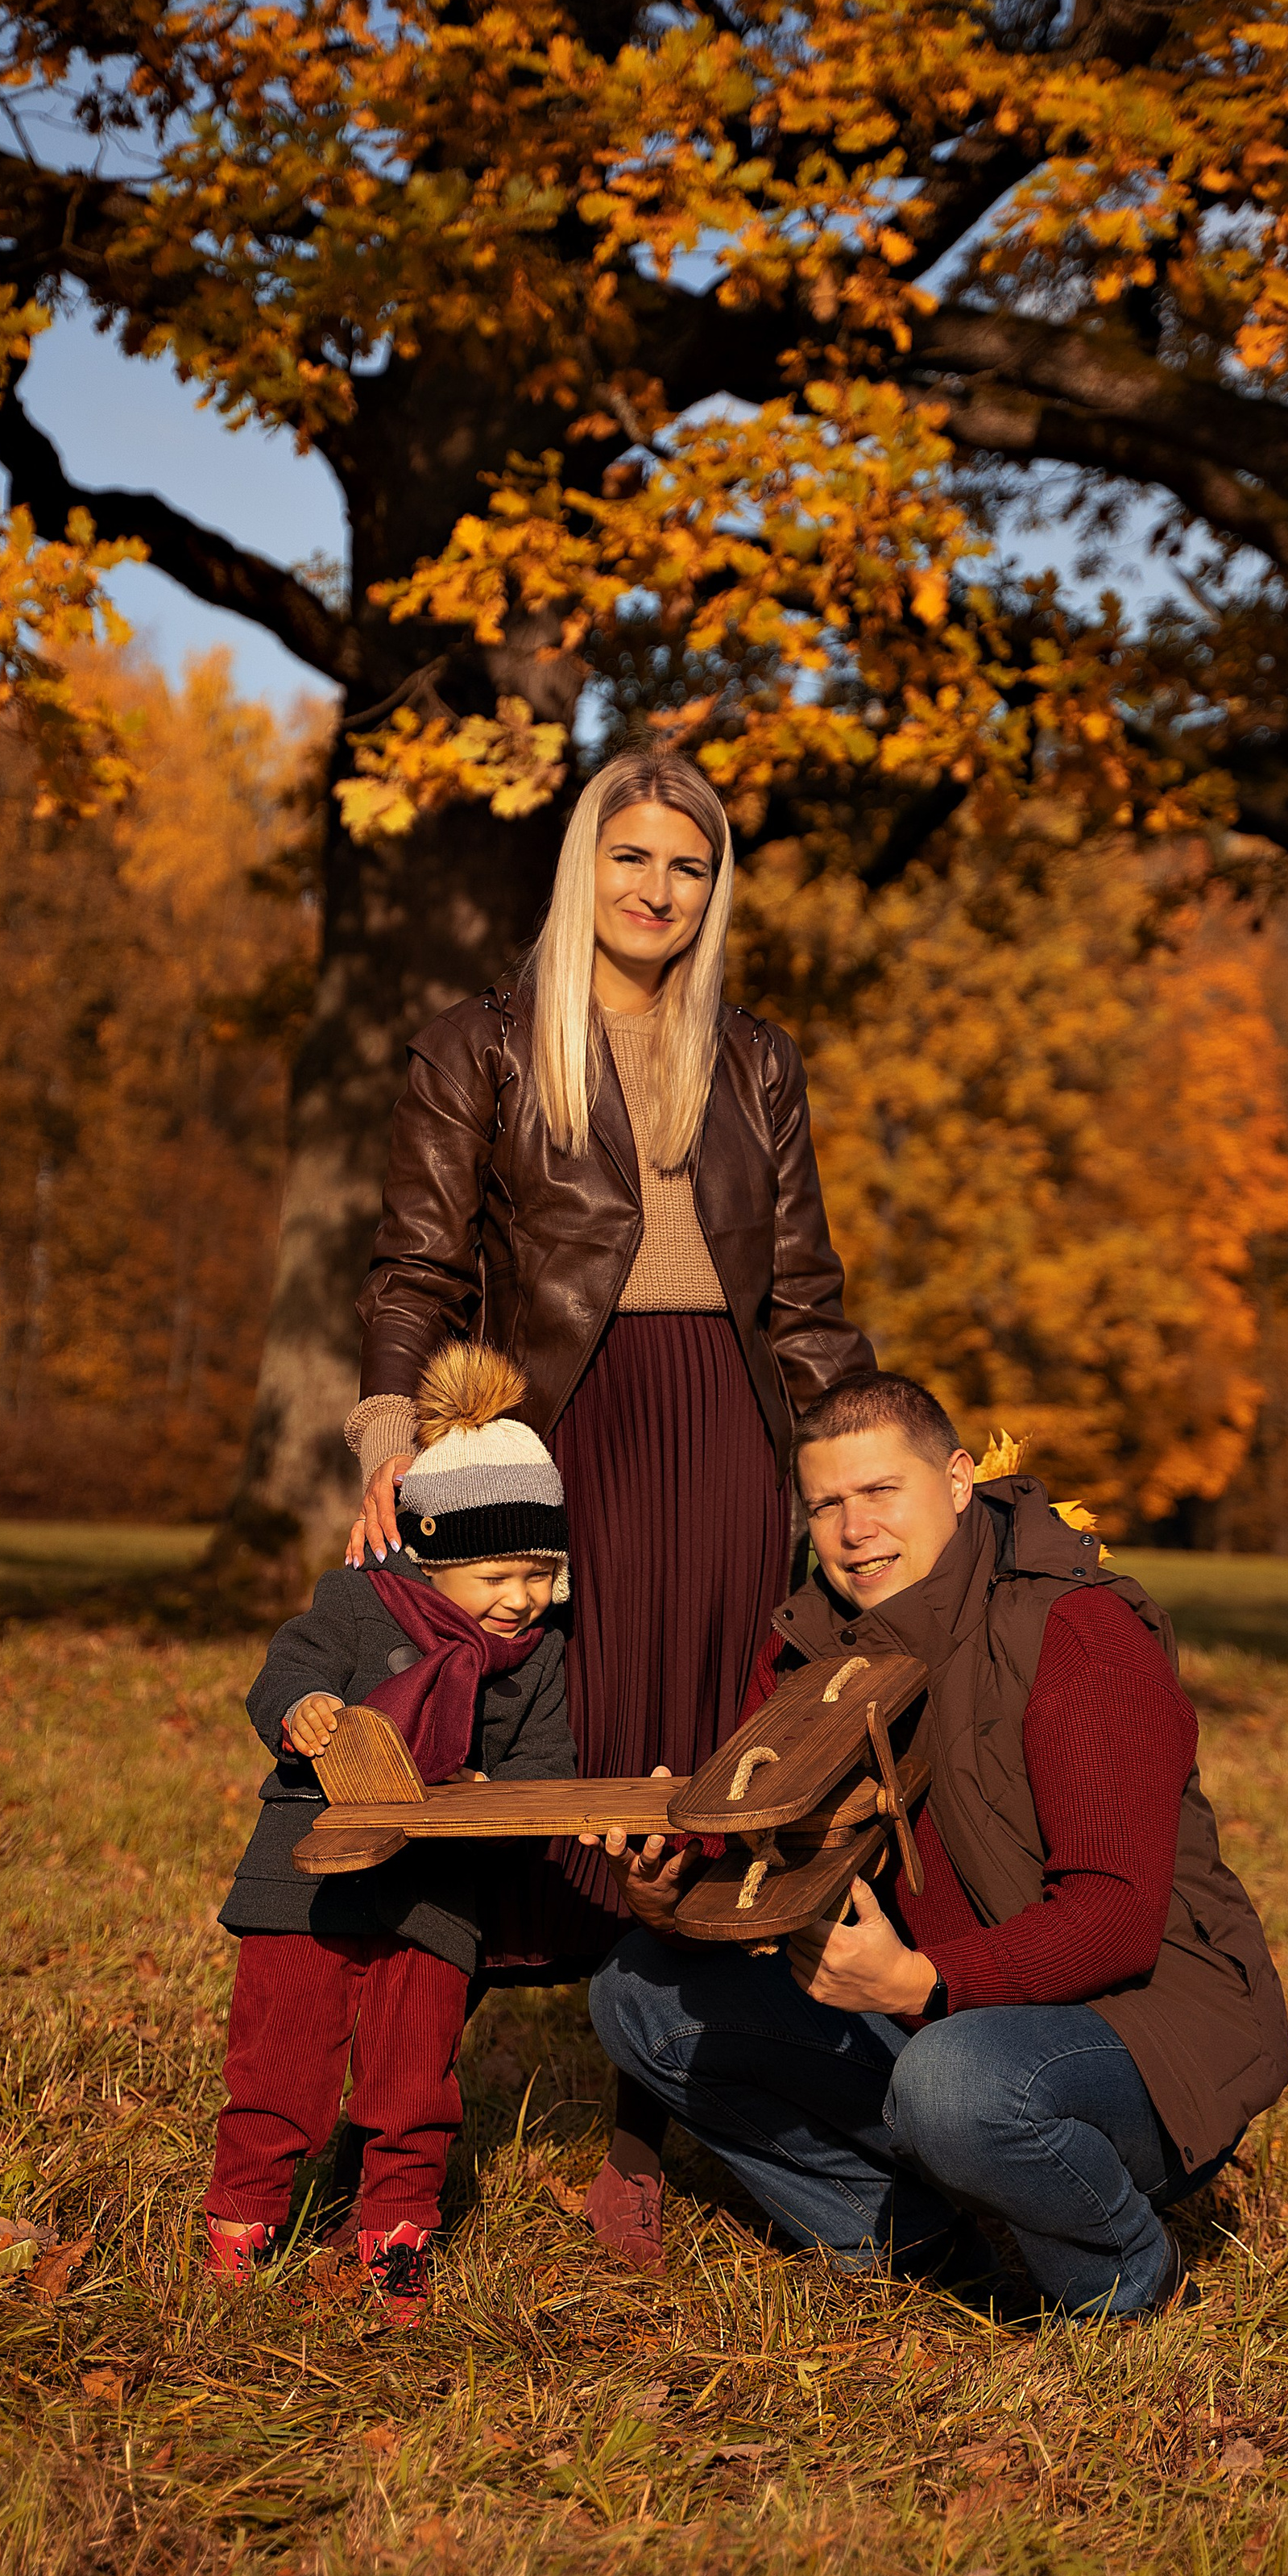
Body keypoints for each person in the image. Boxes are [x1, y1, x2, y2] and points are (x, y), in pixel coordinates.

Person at [342, 745, 874, 2270]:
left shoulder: (755, 1063)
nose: (658, 890)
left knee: (702, 1761)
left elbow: (806, 1301)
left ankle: (642, 2139)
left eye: (688, 867)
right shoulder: (483, 1046)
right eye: (632, 857)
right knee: (537, 1751)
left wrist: (871, 1465)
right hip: (557, 1437)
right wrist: (390, 1435)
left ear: (716, 892)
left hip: (722, 1440)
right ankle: (403, 2128)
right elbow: (417, 1270)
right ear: (587, 867)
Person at [588, 1375, 1288, 2321]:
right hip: (939, 2010)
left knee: (954, 2078)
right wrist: (669, 1895)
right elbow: (766, 1875)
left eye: (881, 1491)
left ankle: (1128, 2285)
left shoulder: (1077, 1629)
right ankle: (916, 2252)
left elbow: (1116, 1918)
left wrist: (920, 1984)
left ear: (958, 1481)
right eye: (826, 1505)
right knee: (639, 1994)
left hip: (1141, 2033)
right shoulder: (812, 1648)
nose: (854, 1530)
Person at [204, 1346, 576, 2325]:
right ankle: (242, 2222)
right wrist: (304, 1708)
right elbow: (284, 1670)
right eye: (497, 1574)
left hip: (435, 1892)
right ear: (435, 1557)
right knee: (279, 2065)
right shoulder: (357, 1603)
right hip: (307, 1877)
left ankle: (396, 2239)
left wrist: (494, 1803)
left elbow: (547, 1768)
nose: (521, 1598)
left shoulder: (539, 1657)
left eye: (540, 1573)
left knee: (414, 2081)